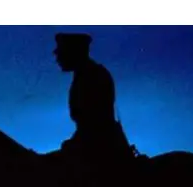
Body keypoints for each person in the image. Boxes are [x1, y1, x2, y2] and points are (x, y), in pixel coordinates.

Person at [51, 32, 134, 170]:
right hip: (98, 146)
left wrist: (73, 146)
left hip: (101, 152)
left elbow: (94, 124)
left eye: (61, 51)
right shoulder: (88, 74)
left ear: (73, 52)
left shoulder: (92, 76)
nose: (57, 56)